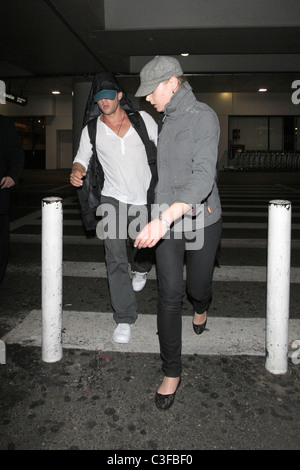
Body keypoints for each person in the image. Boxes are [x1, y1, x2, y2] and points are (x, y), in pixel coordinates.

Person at [134, 56, 222, 410]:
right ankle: (172, 371)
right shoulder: (164, 121)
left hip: (201, 220)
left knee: (195, 288)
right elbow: (164, 177)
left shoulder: (204, 117)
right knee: (168, 295)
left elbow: (203, 177)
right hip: (166, 221)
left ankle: (202, 305)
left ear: (172, 83)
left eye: (151, 92)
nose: (148, 100)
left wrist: (165, 217)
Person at [70, 73, 157, 344]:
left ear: (120, 96)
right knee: (115, 258)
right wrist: (76, 171)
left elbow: (164, 149)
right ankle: (124, 317)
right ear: (95, 101)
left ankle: (141, 267)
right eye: (99, 97)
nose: (105, 101)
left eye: (109, 95)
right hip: (112, 199)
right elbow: (81, 160)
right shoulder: (92, 129)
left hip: (143, 197)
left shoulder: (143, 120)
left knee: (144, 248)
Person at [0, 115, 25, 285]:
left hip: (0, 193)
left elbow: (16, 152)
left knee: (1, 246)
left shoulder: (4, 124)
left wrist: (13, 175)